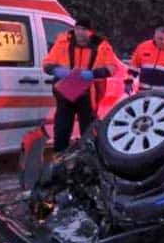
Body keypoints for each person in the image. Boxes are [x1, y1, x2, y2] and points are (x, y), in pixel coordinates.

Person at [43, 17, 116, 152]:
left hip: (89, 93)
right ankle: (60, 157)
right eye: (78, 28)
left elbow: (112, 68)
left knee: (88, 131)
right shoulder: (63, 42)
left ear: (91, 32)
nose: (80, 32)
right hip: (66, 91)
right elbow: (47, 64)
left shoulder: (102, 46)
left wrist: (93, 74)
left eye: (84, 29)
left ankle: (87, 159)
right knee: (62, 128)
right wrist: (57, 70)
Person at [125, 26, 164, 96]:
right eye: (160, 39)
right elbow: (133, 68)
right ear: (154, 37)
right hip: (143, 93)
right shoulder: (143, 47)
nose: (163, 42)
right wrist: (128, 82)